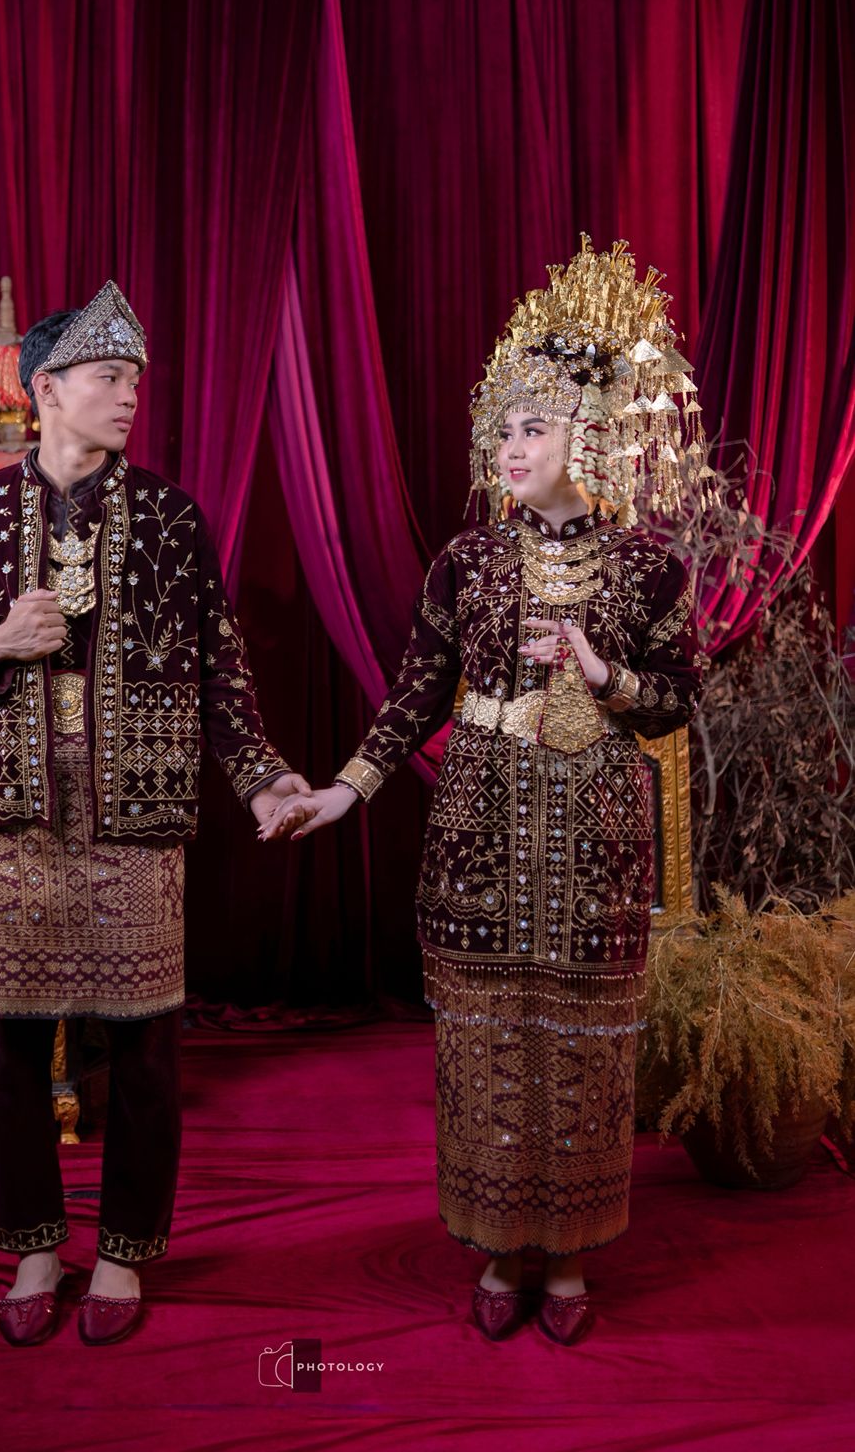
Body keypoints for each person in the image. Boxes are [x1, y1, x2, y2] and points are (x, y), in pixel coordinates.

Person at [263, 238, 710, 1346]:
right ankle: (504, 1243)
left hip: (598, 829)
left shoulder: (649, 566)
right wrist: (348, 790)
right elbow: (415, 693)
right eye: (503, 429)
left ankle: (572, 1251)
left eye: (534, 427)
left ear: (586, 435)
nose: (512, 447)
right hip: (479, 823)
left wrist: (606, 678)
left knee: (582, 1036)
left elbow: (678, 700)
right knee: (490, 1031)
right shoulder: (464, 564)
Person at [0, 279, 310, 1347]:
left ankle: (126, 1250)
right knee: (12, 1048)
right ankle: (36, 1249)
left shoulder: (173, 516)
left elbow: (221, 665)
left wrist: (263, 776)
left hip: (136, 807)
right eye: (108, 377)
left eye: (136, 379)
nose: (130, 396)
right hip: (16, 808)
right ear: (47, 388)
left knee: (142, 1047)